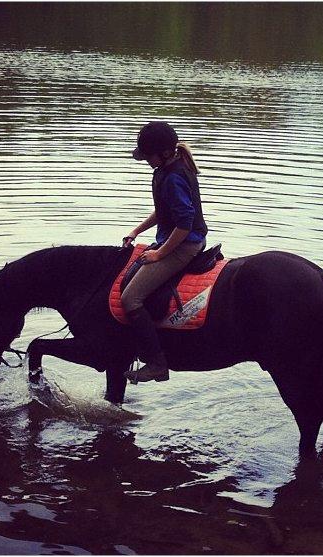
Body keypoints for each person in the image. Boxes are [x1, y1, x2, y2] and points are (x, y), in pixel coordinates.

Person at [122, 121, 208, 383]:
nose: (146, 160)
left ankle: (157, 362)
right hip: (175, 239)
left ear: (163, 153)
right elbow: (164, 211)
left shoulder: (173, 177)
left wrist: (159, 255)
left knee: (130, 299)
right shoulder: (165, 169)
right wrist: (136, 231)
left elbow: (183, 224)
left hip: (185, 244)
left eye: (148, 155)